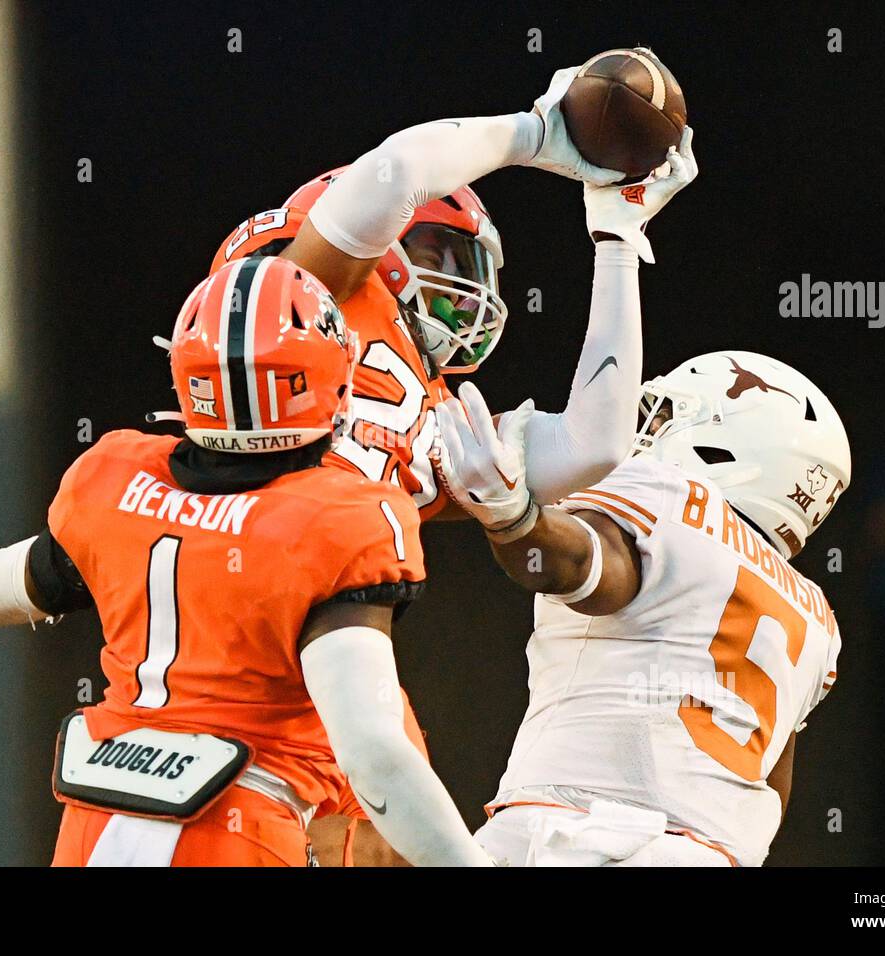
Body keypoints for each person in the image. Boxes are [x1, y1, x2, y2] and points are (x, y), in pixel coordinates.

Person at [0, 257, 490, 867]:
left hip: (93, 826)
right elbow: (375, 753)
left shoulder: (115, 481)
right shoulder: (343, 519)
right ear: (330, 376)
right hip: (237, 829)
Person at [211, 74, 697, 860]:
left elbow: (595, 445)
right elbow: (401, 168)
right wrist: (535, 135)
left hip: (334, 648)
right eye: (439, 252)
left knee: (391, 838)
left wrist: (616, 241)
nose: (463, 285)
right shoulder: (307, 296)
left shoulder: (426, 409)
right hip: (235, 643)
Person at [432, 346, 851, 866]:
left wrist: (512, 515)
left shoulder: (671, 495)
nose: (649, 427)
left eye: (672, 414)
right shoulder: (817, 616)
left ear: (736, 444)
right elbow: (768, 777)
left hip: (580, 831)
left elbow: (587, 571)